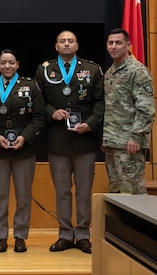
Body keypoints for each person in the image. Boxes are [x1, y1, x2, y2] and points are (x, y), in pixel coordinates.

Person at [35, 30, 104, 255]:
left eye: (70, 41)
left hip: (85, 140)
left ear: (77, 45)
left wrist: (91, 124)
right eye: (62, 41)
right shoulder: (44, 69)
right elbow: (37, 101)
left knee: (84, 190)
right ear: (56, 46)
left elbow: (101, 103)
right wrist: (51, 112)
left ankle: (83, 234)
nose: (66, 44)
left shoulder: (92, 69)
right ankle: (65, 233)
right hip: (58, 140)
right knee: (62, 190)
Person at [0, 49, 45, 254]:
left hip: (24, 149)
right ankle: (1, 236)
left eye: (11, 62)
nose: (7, 66)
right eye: (3, 63)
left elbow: (39, 117)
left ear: (17, 64)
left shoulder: (30, 85)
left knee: (23, 195)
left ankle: (20, 236)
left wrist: (24, 137)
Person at [103, 28, 155, 195]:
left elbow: (146, 109)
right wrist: (107, 138)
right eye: (110, 43)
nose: (114, 46)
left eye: (118, 43)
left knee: (132, 194)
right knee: (116, 193)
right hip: (113, 143)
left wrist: (136, 136)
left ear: (128, 45)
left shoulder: (137, 71)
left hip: (130, 144)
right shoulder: (110, 72)